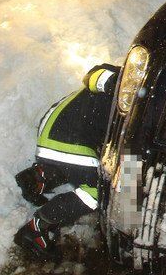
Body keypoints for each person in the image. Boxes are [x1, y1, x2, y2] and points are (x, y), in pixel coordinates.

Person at [14, 63, 120, 259]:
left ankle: (39, 178)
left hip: (55, 129)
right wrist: (115, 82)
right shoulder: (131, 79)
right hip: (68, 138)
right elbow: (93, 75)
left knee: (79, 167)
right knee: (99, 190)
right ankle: (37, 228)